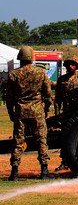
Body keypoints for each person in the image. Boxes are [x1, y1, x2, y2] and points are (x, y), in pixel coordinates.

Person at [5, 46, 53, 180]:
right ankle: (44, 171)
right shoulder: (40, 72)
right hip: (37, 112)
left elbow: (9, 98)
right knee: (41, 140)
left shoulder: (13, 74)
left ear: (20, 58)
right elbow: (48, 95)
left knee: (18, 141)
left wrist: (11, 113)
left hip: (20, 112)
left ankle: (14, 172)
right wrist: (46, 110)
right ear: (32, 58)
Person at [54, 57, 78, 172]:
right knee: (65, 137)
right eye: (68, 65)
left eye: (72, 64)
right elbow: (57, 99)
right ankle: (64, 162)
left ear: (76, 65)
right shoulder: (61, 80)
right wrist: (57, 115)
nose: (70, 67)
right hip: (67, 113)